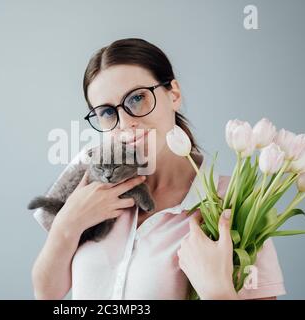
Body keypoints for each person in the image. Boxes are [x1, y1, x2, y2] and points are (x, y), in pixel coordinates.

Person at [31, 38, 286, 300]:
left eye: (138, 98)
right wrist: (67, 225)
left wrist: (217, 292)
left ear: (173, 94)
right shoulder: (90, 183)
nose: (126, 122)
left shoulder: (235, 204)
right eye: (107, 112)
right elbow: (47, 293)